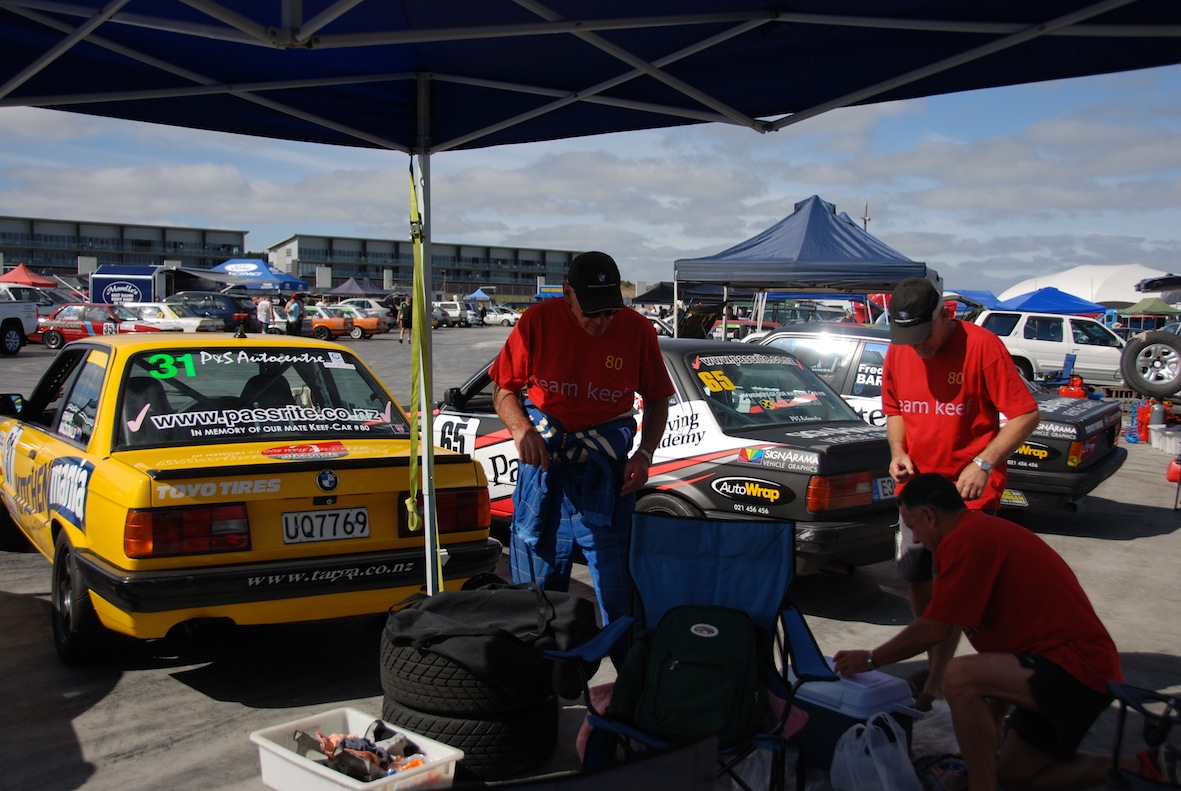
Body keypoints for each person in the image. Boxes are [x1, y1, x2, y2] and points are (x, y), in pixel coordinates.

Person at [830, 473, 1181, 791]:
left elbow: (935, 628)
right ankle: (1146, 767)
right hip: (1066, 671)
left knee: (959, 677)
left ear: (930, 516)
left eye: (913, 527)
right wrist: (993, 720)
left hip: (1079, 670)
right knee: (1016, 775)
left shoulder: (967, 540)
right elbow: (1007, 646)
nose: (916, 538)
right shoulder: (974, 534)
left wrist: (871, 659)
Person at [490, 251, 674, 637]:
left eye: (610, 312)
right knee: (536, 603)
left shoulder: (638, 330)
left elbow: (658, 399)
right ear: (567, 293)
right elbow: (504, 390)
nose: (602, 323)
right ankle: (548, 671)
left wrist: (645, 454)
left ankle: (628, 671)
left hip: (606, 481)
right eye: (592, 312)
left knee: (621, 600)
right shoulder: (536, 322)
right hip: (545, 478)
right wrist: (522, 431)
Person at [883, 277, 1040, 710]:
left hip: (966, 496)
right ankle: (937, 671)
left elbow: (1026, 414)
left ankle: (942, 684)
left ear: (944, 315)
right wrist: (898, 451)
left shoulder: (982, 346)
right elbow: (894, 408)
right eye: (909, 339)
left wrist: (983, 463)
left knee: (961, 598)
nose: (918, 347)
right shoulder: (900, 349)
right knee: (919, 583)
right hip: (916, 493)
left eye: (924, 336)